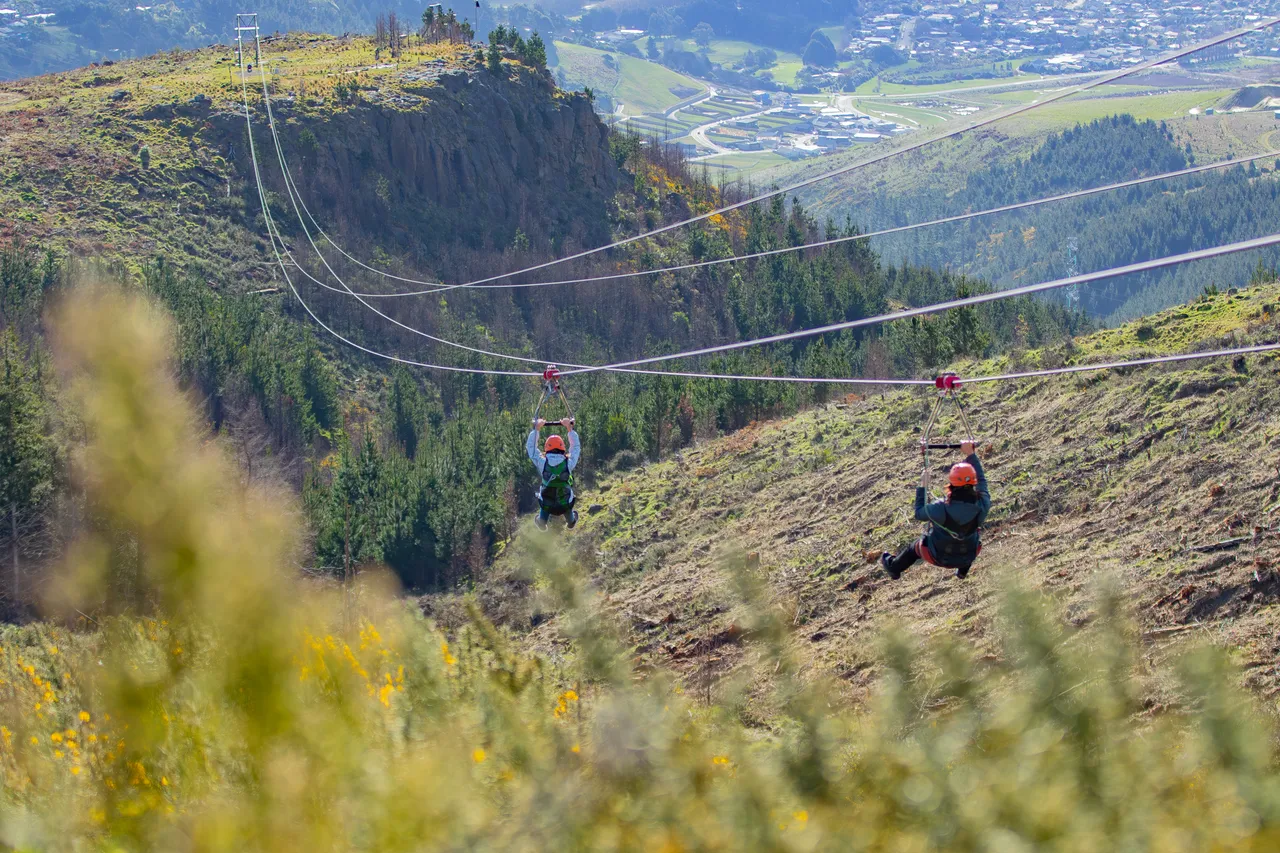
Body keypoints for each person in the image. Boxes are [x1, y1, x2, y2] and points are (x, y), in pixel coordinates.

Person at [882, 441, 990, 580]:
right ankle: (962, 571)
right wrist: (971, 454)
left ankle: (894, 567)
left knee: (917, 545)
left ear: (951, 482)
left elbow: (919, 513)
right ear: (973, 482)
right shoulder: (983, 504)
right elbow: (982, 481)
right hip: (967, 555)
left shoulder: (940, 507)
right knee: (969, 537)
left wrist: (922, 486)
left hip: (937, 556)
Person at [527, 417, 581, 530]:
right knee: (565, 498)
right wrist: (570, 429)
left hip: (548, 505)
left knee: (546, 495)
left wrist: (537, 429)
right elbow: (576, 448)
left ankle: (542, 520)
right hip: (565, 504)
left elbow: (531, 448)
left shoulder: (542, 462)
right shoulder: (568, 463)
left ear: (547, 448)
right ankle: (571, 520)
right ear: (562, 448)